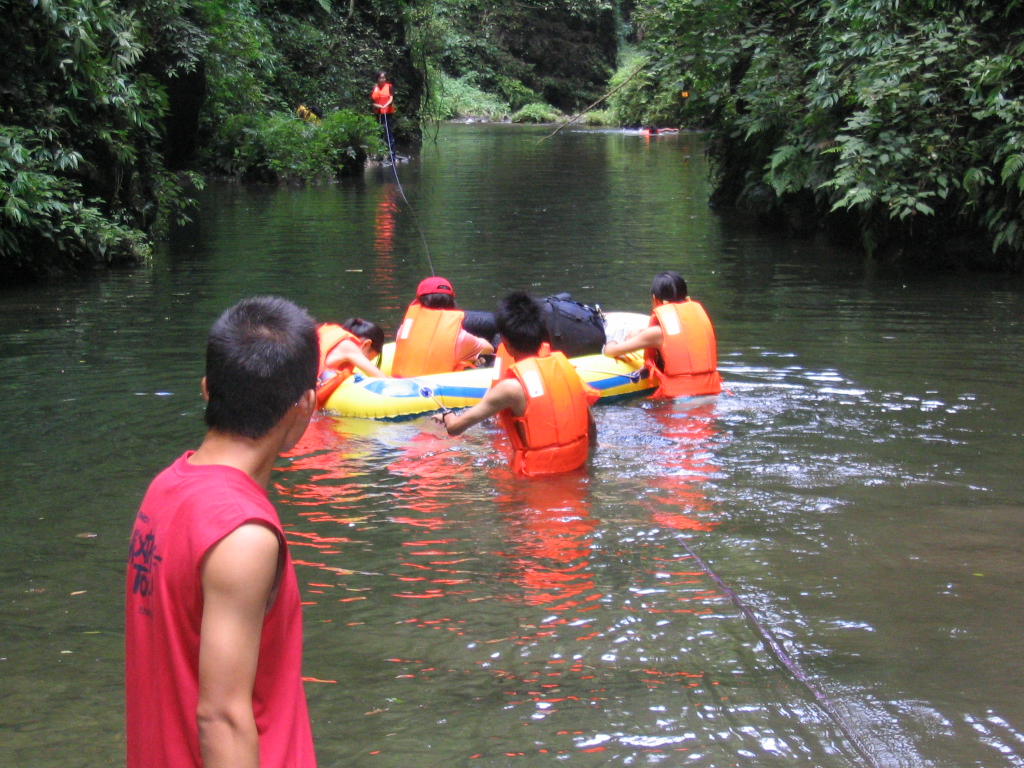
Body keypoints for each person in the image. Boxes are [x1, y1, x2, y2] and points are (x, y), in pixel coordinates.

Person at [125, 296, 319, 768]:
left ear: (207, 389)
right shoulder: (244, 533)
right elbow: (222, 718)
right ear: (305, 408)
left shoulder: (165, 490)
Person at [437, 291, 598, 476]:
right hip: (577, 468)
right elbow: (591, 426)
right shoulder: (567, 370)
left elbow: (455, 428)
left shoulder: (509, 388)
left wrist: (447, 416)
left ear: (505, 341)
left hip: (534, 481)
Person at [602, 270, 722, 398]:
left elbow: (611, 351)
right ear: (686, 298)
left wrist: (612, 339)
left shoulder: (655, 334)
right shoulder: (700, 323)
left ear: (655, 299)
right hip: (712, 395)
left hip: (679, 402)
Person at [391, 276, 494, 377]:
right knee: (479, 360)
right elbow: (489, 349)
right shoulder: (460, 338)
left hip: (401, 383)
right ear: (451, 302)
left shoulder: (403, 329)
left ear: (419, 301)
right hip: (435, 390)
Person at [315, 317, 386, 408]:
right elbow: (382, 379)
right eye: (368, 359)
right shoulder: (348, 346)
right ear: (367, 344)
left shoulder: (329, 334)